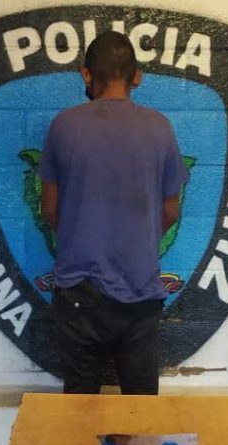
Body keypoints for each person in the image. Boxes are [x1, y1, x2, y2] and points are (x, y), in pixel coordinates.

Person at [38, 31, 189, 395]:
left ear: (86, 74)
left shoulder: (64, 125)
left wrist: (82, 233)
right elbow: (171, 210)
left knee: (79, 405)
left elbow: (50, 210)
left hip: (78, 292)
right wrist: (136, 239)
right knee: (140, 407)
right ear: (137, 76)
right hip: (139, 291)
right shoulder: (159, 127)